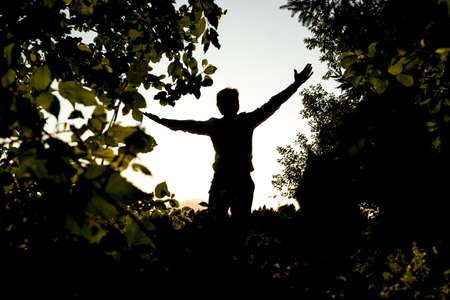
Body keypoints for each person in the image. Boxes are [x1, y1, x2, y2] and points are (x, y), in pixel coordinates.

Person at [143, 64, 313, 225]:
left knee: (220, 228)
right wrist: (296, 84)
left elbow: (186, 125)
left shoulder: (216, 125)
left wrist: (162, 121)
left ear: (219, 106)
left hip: (225, 181)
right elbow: (274, 103)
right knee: (236, 229)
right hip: (239, 181)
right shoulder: (244, 121)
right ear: (236, 105)